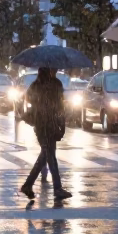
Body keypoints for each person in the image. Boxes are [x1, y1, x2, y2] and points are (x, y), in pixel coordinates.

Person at [20, 67, 71, 200]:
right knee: (49, 155)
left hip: (41, 124)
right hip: (49, 124)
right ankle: (57, 188)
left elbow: (27, 99)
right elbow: (60, 107)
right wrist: (61, 123)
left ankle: (28, 185)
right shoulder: (56, 84)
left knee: (46, 155)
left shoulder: (36, 85)